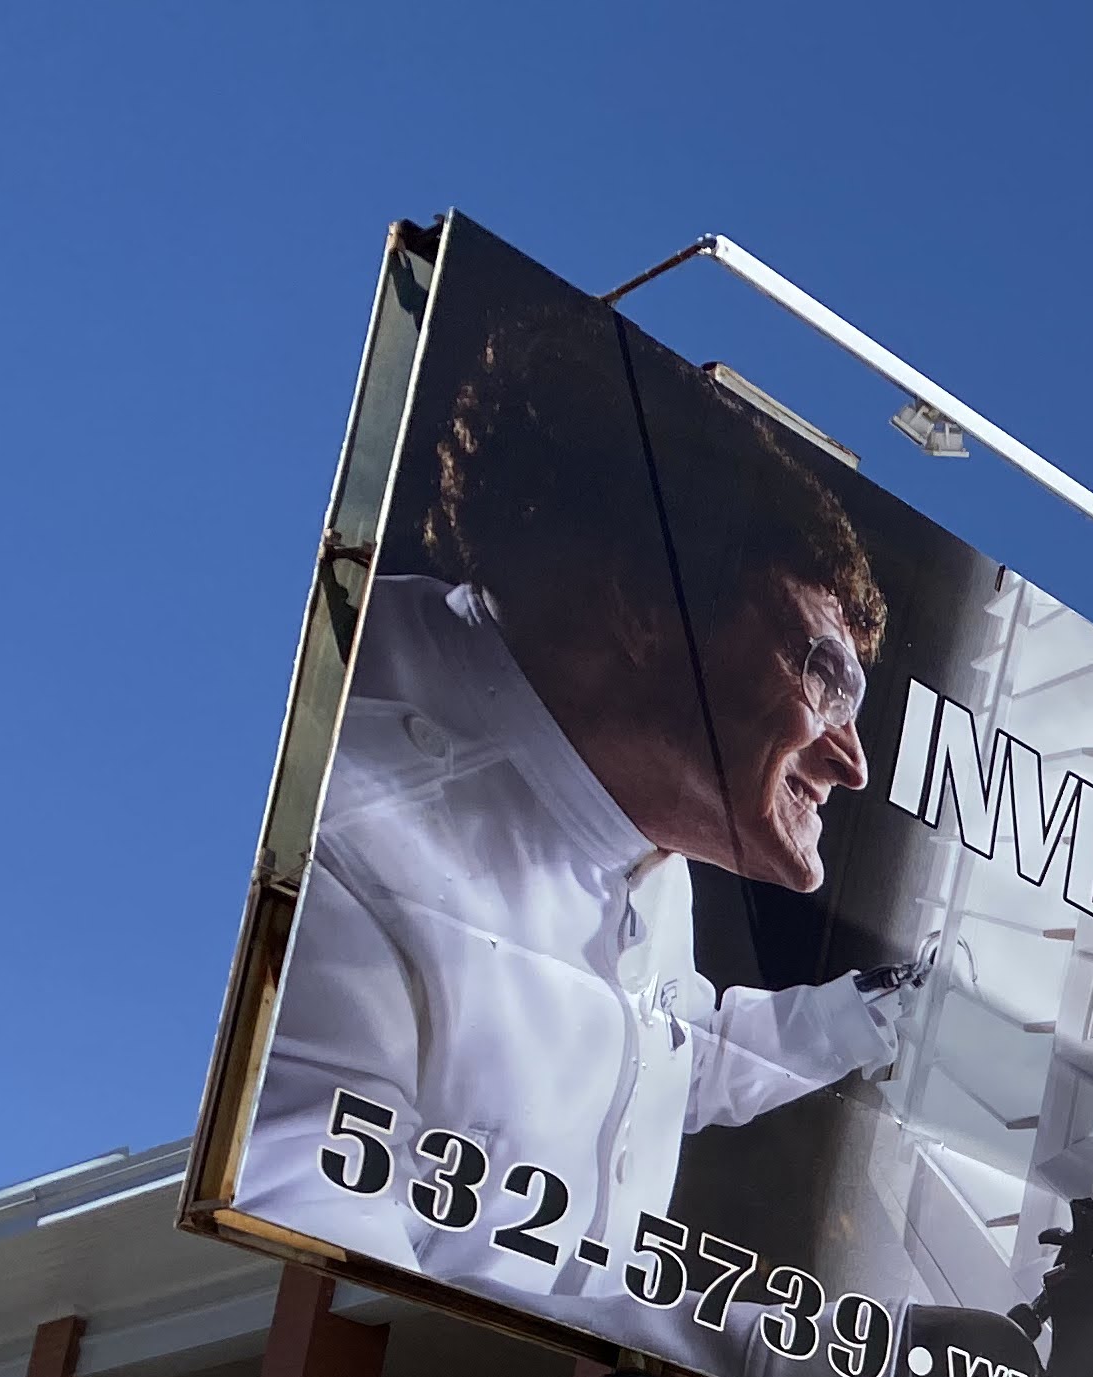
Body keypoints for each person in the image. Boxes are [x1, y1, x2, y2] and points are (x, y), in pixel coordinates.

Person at [242, 301, 920, 1312]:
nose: (853, 761)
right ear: (649, 606)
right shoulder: (342, 822)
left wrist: (885, 1014)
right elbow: (325, 1274)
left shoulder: (640, 815)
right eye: (823, 676)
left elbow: (663, 1048)